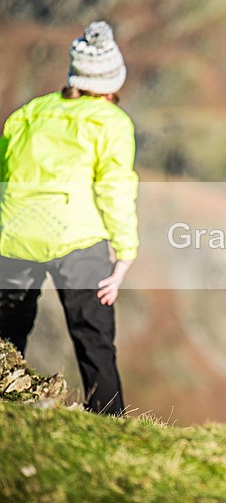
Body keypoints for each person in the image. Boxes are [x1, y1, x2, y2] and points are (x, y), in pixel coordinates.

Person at [0, 21, 138, 415]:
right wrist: (125, 253)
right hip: (77, 242)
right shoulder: (112, 122)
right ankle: (111, 430)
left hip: (13, 240)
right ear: (112, 82)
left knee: (6, 337)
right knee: (94, 342)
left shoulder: (27, 113)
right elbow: (115, 188)